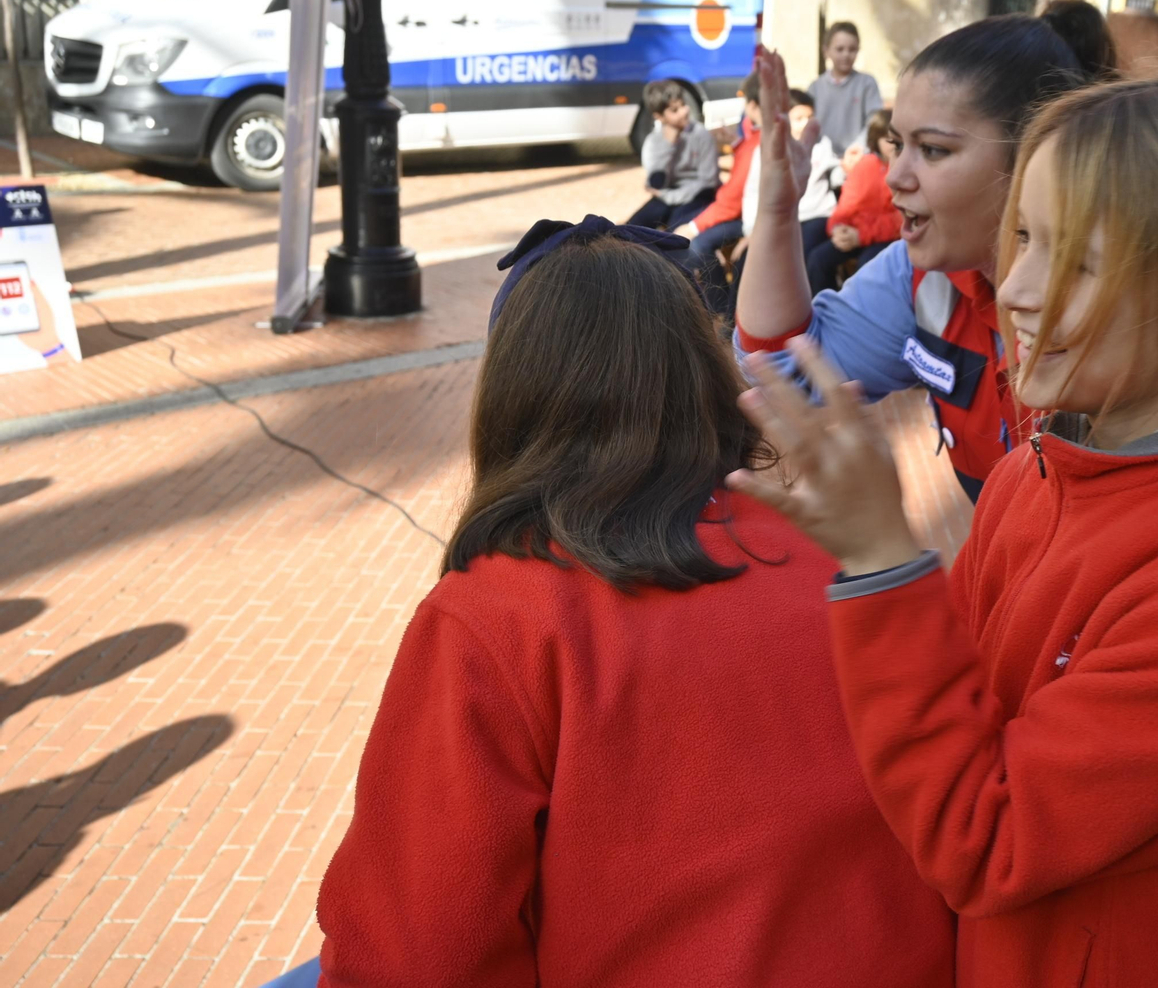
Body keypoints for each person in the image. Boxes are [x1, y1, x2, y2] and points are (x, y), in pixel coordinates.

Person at [732, 73, 1158, 985]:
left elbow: (984, 838)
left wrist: (879, 559)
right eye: (1022, 238)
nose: (1018, 289)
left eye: (1076, 261)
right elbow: (959, 692)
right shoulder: (1048, 463)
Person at [313, 217, 955, 987]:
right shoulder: (851, 557)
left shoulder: (498, 618)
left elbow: (414, 949)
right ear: (704, 375)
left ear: (515, 394)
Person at [737, 2, 1115, 503]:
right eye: (897, 144)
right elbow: (785, 378)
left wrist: (889, 558)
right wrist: (777, 213)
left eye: (933, 150)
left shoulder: (1120, 305)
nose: (896, 175)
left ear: (1035, 155)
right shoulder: (922, 276)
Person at [677, 70, 762, 314]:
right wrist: (736, 143)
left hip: (745, 217)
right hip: (738, 209)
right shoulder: (755, 132)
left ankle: (721, 312)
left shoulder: (762, 138)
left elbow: (732, 200)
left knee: (696, 246)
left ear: (753, 104)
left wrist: (693, 227)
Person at [734, 88, 839, 276]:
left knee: (798, 254)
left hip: (816, 216)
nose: (805, 124)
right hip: (781, 219)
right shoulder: (767, 151)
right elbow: (753, 193)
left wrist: (845, 168)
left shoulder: (822, 145)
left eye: (810, 117)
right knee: (749, 259)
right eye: (798, 119)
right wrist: (752, 230)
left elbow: (836, 173)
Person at [805, 108, 899, 295]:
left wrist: (861, 235)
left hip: (887, 238)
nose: (893, 146)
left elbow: (899, 220)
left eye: (898, 141)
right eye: (887, 140)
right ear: (876, 140)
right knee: (817, 259)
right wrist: (837, 228)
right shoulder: (866, 165)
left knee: (868, 265)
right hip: (855, 235)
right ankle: (825, 311)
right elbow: (847, 204)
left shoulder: (904, 170)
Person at [626, 80, 720, 230]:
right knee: (632, 228)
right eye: (675, 110)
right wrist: (668, 145)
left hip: (698, 195)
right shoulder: (653, 142)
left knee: (675, 231)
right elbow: (656, 182)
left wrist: (669, 197)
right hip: (667, 194)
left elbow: (708, 182)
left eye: (683, 105)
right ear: (659, 117)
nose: (684, 111)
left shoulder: (701, 135)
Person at [810, 22, 883, 162]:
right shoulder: (815, 88)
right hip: (822, 161)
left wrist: (858, 148)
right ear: (826, 51)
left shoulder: (867, 84)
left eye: (852, 49)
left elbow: (874, 121)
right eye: (839, 49)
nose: (846, 55)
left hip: (857, 158)